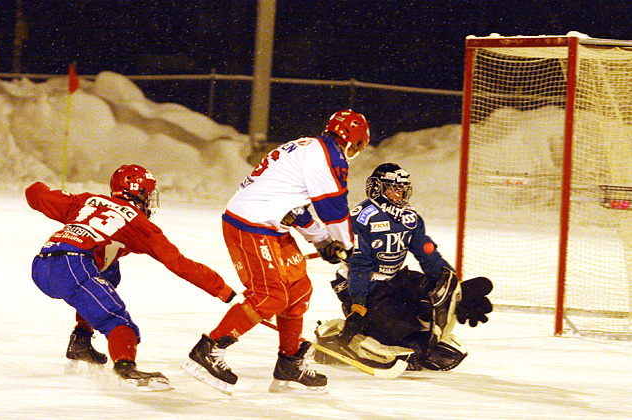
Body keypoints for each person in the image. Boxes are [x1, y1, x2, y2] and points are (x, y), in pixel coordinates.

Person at [182, 109, 370, 394]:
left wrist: (321, 242)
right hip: (251, 226)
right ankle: (209, 349)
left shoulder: (308, 147)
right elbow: (333, 209)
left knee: (299, 288)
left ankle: (289, 363)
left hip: (266, 225)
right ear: (354, 141)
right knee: (270, 295)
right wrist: (346, 247)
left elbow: (295, 210)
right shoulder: (329, 155)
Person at [27, 164, 236, 390]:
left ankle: (81, 339)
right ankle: (126, 367)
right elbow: (178, 263)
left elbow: (35, 194)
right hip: (74, 267)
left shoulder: (86, 200)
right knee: (117, 320)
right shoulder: (138, 223)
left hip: (42, 264)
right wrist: (222, 290)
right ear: (141, 193)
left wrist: (46, 189)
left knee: (109, 272)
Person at [314, 163, 493, 372]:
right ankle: (349, 335)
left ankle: (424, 327)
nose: (399, 194)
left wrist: (454, 289)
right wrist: (358, 305)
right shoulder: (361, 217)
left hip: (395, 279)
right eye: (394, 188)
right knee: (402, 334)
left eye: (402, 189)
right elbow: (359, 267)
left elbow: (428, 256)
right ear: (377, 188)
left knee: (434, 296)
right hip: (362, 286)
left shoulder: (410, 218)